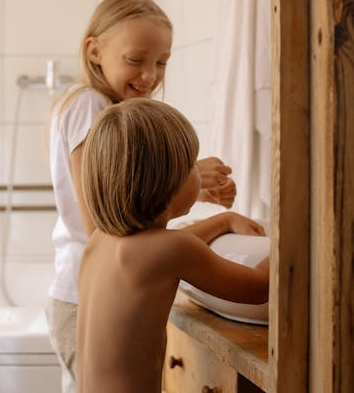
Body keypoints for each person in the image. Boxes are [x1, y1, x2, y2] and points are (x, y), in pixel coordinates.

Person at [46, 0, 239, 392]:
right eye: (135, 60)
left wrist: (191, 190)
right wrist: (185, 178)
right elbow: (106, 219)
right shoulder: (92, 105)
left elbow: (126, 206)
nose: (150, 75)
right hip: (87, 299)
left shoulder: (93, 104)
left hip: (86, 293)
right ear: (95, 51)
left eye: (162, 62)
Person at [76, 98, 269, 393]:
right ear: (165, 182)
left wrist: (224, 220)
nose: (197, 172)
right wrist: (292, 238)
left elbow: (176, 242)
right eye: (192, 164)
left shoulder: (100, 240)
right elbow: (259, 287)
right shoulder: (171, 249)